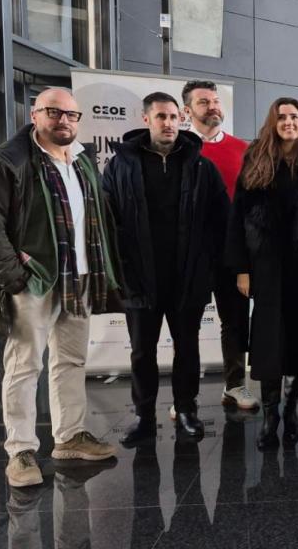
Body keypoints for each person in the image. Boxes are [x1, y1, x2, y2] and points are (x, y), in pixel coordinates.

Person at [0, 88, 121, 487]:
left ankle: (69, 437)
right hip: (33, 281)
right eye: (54, 112)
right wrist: (14, 277)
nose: (63, 121)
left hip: (78, 277)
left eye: (71, 114)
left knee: (71, 361)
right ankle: (20, 451)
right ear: (35, 114)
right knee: (24, 366)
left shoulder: (82, 159)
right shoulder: (6, 161)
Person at [104, 92, 229, 444]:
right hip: (139, 277)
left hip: (186, 277)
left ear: (182, 119)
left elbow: (222, 221)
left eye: (174, 117)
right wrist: (119, 271)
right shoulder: (121, 166)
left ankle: (186, 410)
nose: (169, 123)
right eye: (161, 116)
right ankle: (144, 419)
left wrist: (210, 265)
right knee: (142, 351)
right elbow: (106, 221)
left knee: (187, 347)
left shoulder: (201, 165)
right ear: (146, 119)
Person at [226, 97, 298, 448]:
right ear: (273, 122)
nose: (288, 122)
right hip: (265, 266)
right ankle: (271, 414)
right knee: (267, 342)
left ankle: (293, 410)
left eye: (294, 116)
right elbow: (238, 216)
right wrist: (241, 269)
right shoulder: (256, 159)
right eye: (282, 117)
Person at [181, 80, 258, 412]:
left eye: (214, 100)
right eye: (203, 102)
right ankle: (186, 395)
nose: (212, 106)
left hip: (232, 254)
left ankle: (235, 385)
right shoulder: (179, 149)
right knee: (186, 325)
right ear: (187, 111)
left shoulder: (244, 149)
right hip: (191, 256)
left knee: (236, 322)